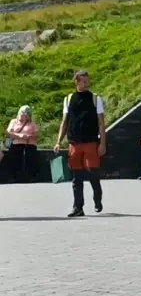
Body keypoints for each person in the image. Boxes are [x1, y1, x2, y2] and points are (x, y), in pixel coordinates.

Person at [54, 70, 107, 218]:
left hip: (91, 142)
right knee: (76, 178)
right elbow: (64, 122)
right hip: (74, 143)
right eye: (83, 81)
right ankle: (78, 207)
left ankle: (97, 199)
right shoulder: (69, 99)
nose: (86, 84)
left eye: (87, 81)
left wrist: (103, 143)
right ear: (76, 82)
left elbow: (101, 123)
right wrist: (58, 141)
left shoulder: (95, 99)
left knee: (93, 174)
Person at [5, 105, 39, 182]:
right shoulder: (13, 121)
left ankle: (31, 176)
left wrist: (28, 136)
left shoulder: (32, 123)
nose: (22, 116)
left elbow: (36, 135)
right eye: (21, 113)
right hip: (16, 142)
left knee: (31, 156)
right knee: (14, 156)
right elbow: (8, 132)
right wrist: (19, 136)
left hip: (29, 143)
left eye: (24, 114)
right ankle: (13, 176)